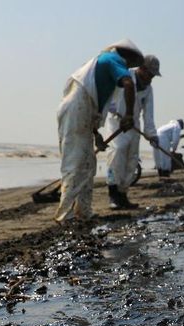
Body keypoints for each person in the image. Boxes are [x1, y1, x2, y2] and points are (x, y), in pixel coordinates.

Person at [55, 39, 143, 221]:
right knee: (76, 163)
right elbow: (128, 83)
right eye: (131, 63)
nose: (130, 68)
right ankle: (65, 216)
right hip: (76, 110)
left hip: (81, 111)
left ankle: (83, 212)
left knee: (88, 164)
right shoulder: (113, 59)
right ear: (127, 55)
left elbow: (93, 100)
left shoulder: (102, 63)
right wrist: (129, 115)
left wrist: (95, 134)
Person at [104, 55, 160, 210]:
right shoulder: (125, 75)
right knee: (117, 153)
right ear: (141, 68)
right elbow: (109, 95)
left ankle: (123, 195)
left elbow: (148, 113)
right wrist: (114, 111)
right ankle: (113, 195)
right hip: (117, 122)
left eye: (153, 76)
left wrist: (152, 134)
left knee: (132, 160)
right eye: (149, 74)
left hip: (134, 125)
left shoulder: (148, 89)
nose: (150, 79)